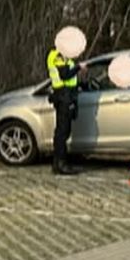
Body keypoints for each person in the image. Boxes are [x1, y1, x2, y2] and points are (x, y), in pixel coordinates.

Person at [46, 44, 83, 176]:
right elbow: (65, 75)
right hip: (63, 97)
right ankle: (61, 164)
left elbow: (71, 79)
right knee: (62, 132)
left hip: (65, 96)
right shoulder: (57, 56)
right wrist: (79, 67)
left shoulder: (64, 57)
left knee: (63, 131)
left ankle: (58, 163)